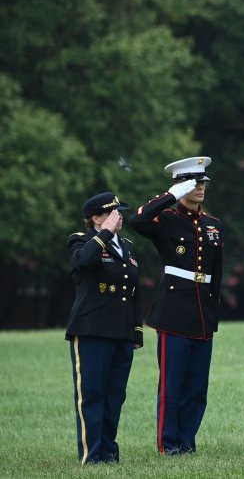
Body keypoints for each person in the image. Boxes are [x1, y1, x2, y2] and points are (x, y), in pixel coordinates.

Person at [129, 156, 223, 455]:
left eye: (202, 183)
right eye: (193, 183)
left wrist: (214, 313)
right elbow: (138, 219)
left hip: (202, 313)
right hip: (174, 312)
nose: (200, 188)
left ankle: (187, 441)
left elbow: (216, 273)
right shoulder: (166, 219)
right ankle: (168, 444)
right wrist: (172, 195)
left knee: (197, 388)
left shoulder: (213, 225)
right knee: (172, 386)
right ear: (181, 185)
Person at [66, 191, 143, 465]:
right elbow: (83, 262)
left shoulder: (129, 247)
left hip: (121, 332)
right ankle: (91, 455)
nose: (118, 216)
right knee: (92, 394)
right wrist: (104, 235)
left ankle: (109, 453)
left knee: (115, 395)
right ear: (96, 217)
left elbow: (133, 291)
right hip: (92, 329)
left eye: (119, 211)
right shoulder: (81, 241)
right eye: (112, 212)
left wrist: (137, 329)